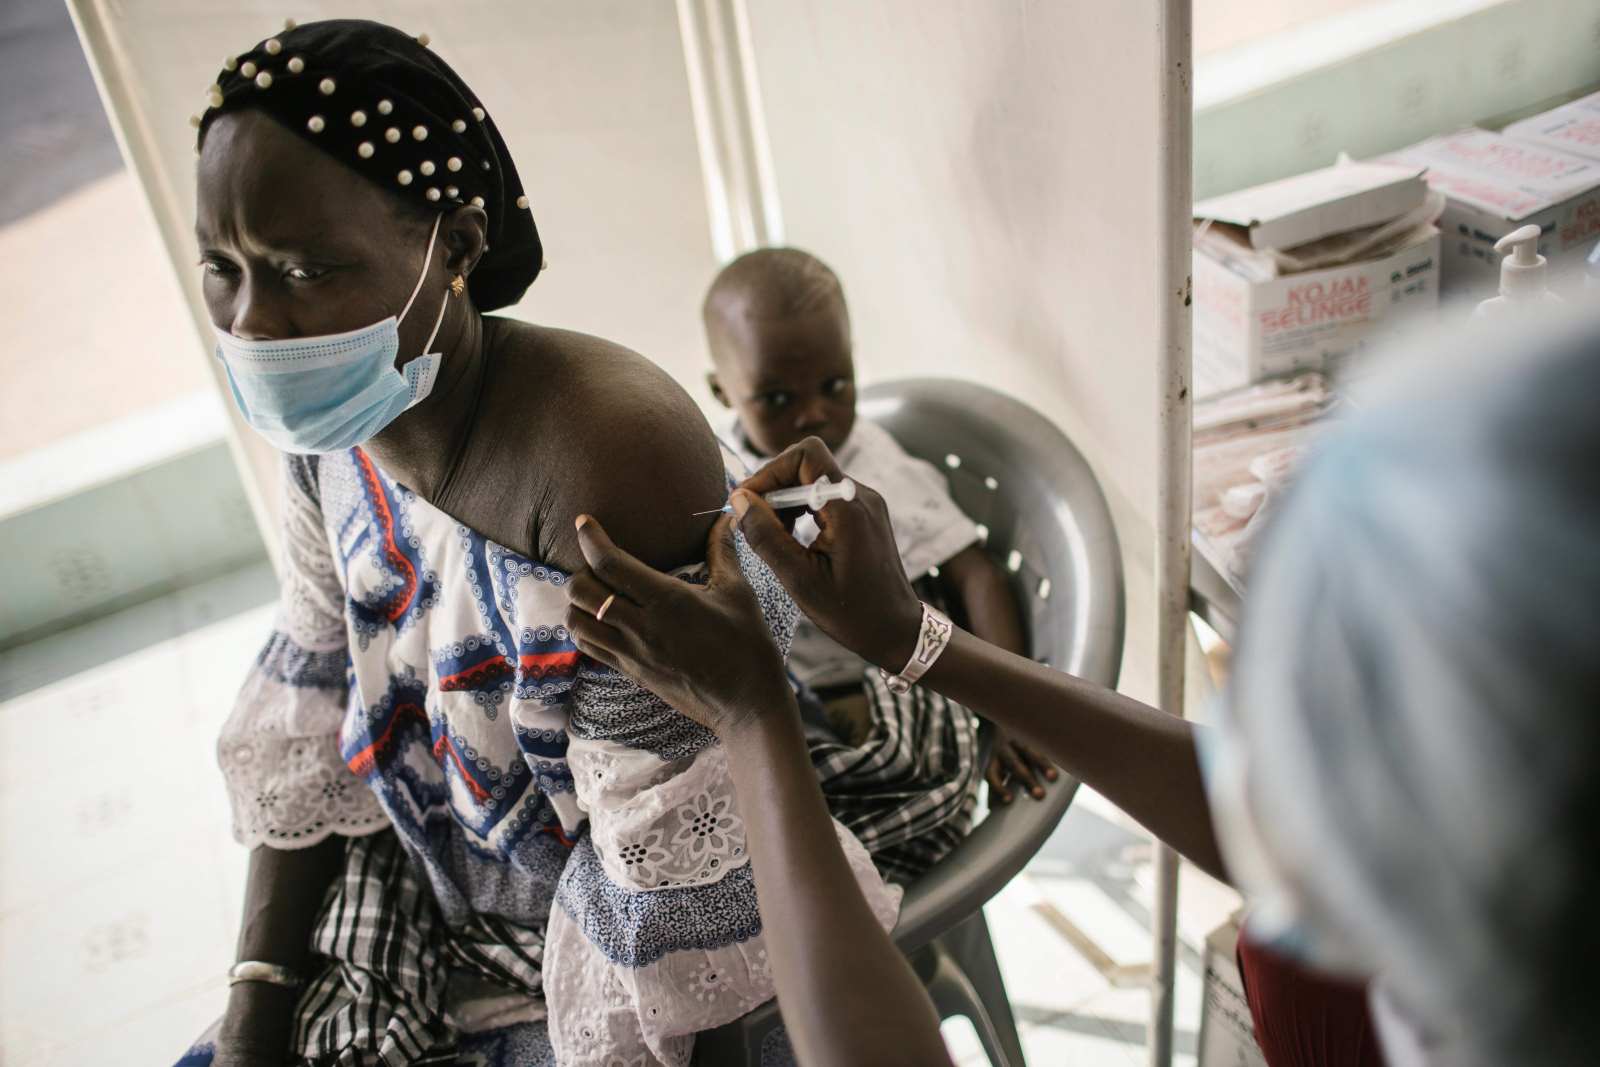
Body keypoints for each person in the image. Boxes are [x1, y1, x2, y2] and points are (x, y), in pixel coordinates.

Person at [565, 312, 1600, 1067]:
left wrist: (754, 718)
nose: (1279, 752)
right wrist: (916, 642)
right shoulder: (1404, 909)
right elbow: (1266, 810)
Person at [178, 19, 898, 1067]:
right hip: (445, 902)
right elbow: (318, 686)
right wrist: (258, 997)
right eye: (222, 266)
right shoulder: (335, 430)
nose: (253, 322)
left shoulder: (608, 463)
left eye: (304, 269)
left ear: (458, 246)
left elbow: (677, 886)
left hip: (644, 971)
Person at [704, 247, 1056, 880]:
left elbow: (977, 574)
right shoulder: (721, 468)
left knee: (833, 812)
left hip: (883, 678)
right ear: (722, 391)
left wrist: (1012, 713)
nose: (814, 414)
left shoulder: (875, 470)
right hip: (783, 682)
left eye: (835, 386)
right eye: (776, 398)